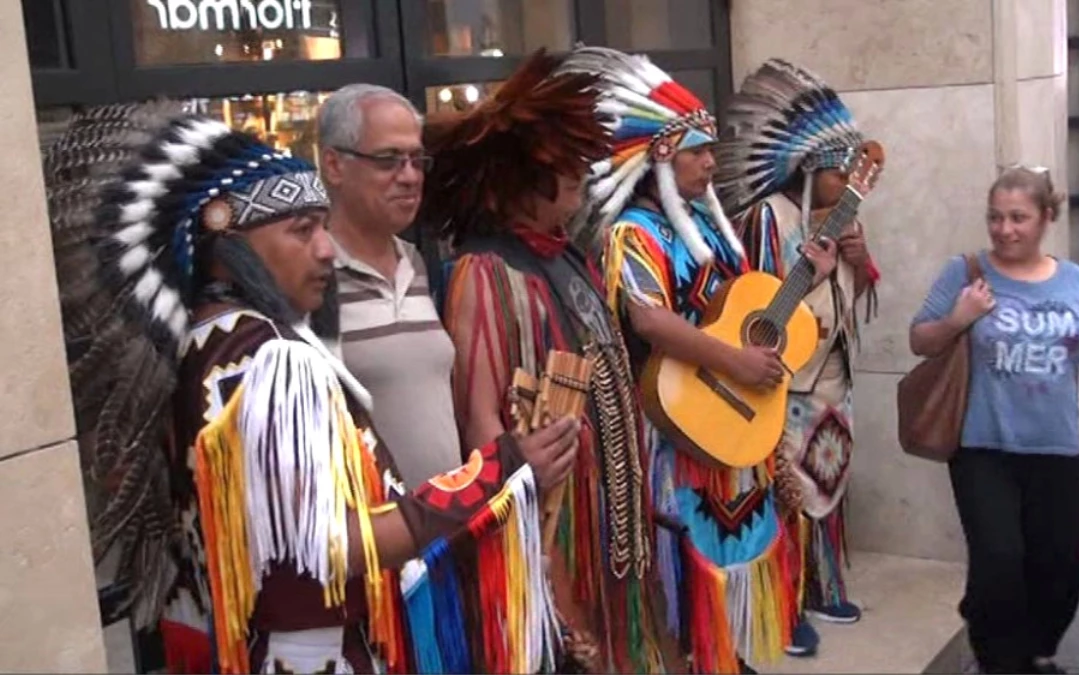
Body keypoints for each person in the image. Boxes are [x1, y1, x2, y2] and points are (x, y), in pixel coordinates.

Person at [44, 104, 582, 673]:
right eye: (301, 230)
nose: (325, 249)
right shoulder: (274, 361)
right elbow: (332, 547)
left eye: (323, 226)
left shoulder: (191, 346)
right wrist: (499, 474)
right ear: (226, 244)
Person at [560, 46, 837, 673]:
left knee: (734, 558)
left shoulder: (712, 230)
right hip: (674, 428)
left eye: (711, 151)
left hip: (729, 426)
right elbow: (650, 319)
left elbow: (744, 309)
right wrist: (734, 364)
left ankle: (726, 655)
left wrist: (805, 278)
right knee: (683, 566)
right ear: (660, 158)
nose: (711, 165)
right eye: (697, 152)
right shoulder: (636, 233)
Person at [428, 50, 668, 673]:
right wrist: (527, 546)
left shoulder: (569, 256)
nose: (583, 185)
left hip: (609, 519)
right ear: (530, 179)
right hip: (554, 524)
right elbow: (482, 420)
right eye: (571, 173)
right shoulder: (484, 272)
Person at [909, 167, 1079, 675]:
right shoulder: (965, 272)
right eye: (995, 217)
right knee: (998, 560)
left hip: (1056, 449)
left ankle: (1035, 651)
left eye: (1018, 218)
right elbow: (921, 341)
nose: (1004, 229)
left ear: (1045, 218)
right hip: (982, 448)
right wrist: (960, 318)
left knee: (1057, 569)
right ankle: (1000, 659)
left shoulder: (1074, 280)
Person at [715, 59, 883, 657]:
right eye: (841, 170)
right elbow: (760, 308)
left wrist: (857, 260)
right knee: (787, 493)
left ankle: (823, 584)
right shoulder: (768, 218)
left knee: (829, 481)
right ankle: (784, 606)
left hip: (831, 377)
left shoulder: (837, 219)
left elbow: (858, 298)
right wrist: (811, 269)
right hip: (783, 385)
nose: (849, 181)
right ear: (810, 170)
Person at [317, 84, 462, 486]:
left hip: (445, 534)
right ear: (334, 165)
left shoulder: (418, 263)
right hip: (372, 538)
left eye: (416, 160)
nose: (410, 177)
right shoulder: (310, 278)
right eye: (388, 160)